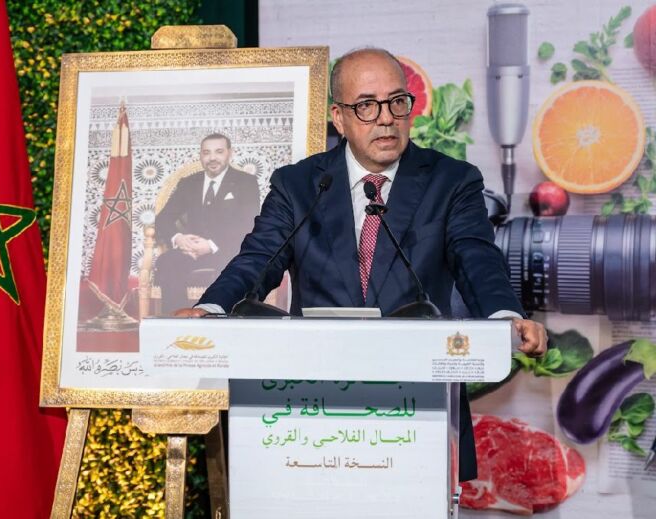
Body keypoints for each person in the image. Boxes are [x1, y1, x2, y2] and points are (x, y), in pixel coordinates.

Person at [175, 48, 547, 481]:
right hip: (312, 412)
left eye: (397, 103)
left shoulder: (451, 181)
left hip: (418, 408)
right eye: (367, 106)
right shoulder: (298, 184)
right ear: (339, 117)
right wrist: (212, 309)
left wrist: (504, 316)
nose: (386, 119)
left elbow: (476, 258)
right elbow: (259, 259)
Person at [154, 133, 261, 313]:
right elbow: (163, 219)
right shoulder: (189, 183)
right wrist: (179, 238)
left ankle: (221, 324)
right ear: (201, 155)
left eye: (219, 151)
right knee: (167, 261)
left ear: (230, 153)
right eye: (206, 152)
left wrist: (211, 245)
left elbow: (247, 224)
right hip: (190, 252)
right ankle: (178, 320)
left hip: (227, 251)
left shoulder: (246, 182)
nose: (212, 158)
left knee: (235, 268)